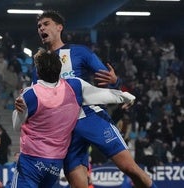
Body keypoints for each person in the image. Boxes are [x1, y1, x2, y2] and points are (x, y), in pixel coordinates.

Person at [15, 10, 157, 188]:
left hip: (91, 118)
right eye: (39, 26)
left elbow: (106, 78)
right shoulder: (38, 68)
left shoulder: (79, 52)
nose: (41, 28)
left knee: (130, 168)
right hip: (65, 131)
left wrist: (116, 84)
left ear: (59, 27)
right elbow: (40, 101)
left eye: (46, 23)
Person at [12, 49, 136, 188]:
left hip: (31, 161)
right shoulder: (74, 86)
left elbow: (16, 125)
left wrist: (19, 111)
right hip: (54, 165)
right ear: (59, 69)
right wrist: (125, 96)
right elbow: (103, 94)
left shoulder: (31, 94)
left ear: (38, 73)